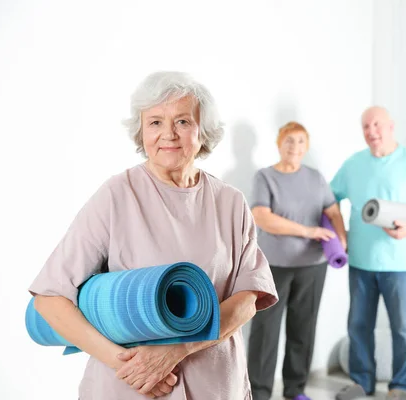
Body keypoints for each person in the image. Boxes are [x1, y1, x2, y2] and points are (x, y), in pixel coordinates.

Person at [27, 71, 279, 400]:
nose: (168, 134)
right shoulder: (117, 195)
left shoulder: (230, 202)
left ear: (203, 131)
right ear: (141, 131)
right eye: (155, 122)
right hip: (133, 386)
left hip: (216, 385)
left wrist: (176, 351)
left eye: (183, 122)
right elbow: (49, 297)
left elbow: (248, 298)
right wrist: (129, 366)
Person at [331, 107, 406, 400]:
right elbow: (329, 201)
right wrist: (340, 234)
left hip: (401, 263)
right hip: (360, 261)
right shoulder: (353, 164)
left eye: (377, 124)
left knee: (404, 329)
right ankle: (361, 382)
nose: (372, 131)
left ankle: (400, 386)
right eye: (366, 126)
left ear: (391, 126)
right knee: (358, 324)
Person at [246, 122, 347, 400]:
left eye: (301, 141)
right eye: (289, 140)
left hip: (312, 265)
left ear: (307, 146)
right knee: (265, 332)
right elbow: (262, 217)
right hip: (273, 266)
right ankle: (259, 393)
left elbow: (332, 209)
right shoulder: (265, 177)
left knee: (303, 327)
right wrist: (308, 231)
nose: (295, 147)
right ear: (279, 144)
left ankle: (295, 390)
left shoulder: (316, 178)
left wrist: (340, 236)